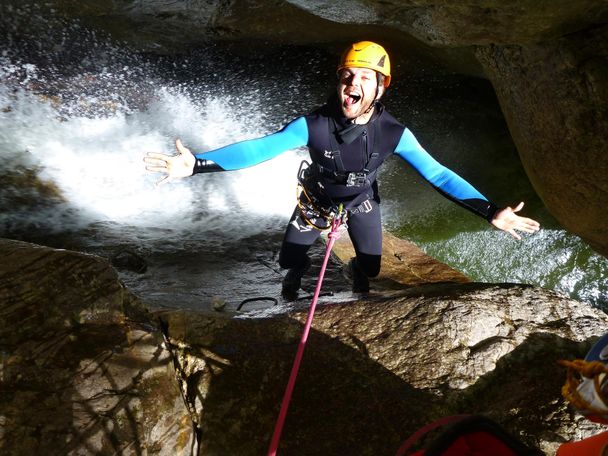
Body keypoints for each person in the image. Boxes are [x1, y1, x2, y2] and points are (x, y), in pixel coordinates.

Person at [144, 41, 540, 301]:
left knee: (369, 267)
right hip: (316, 201)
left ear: (381, 88)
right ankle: (293, 282)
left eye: (365, 78)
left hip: (361, 202)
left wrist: (490, 211)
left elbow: (437, 174)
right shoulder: (312, 125)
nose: (353, 83)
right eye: (347, 76)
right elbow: (260, 148)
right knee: (290, 260)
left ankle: (357, 274)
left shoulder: (393, 133)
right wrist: (197, 165)